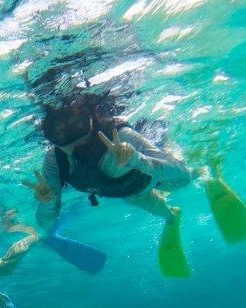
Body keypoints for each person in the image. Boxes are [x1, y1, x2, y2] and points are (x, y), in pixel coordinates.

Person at [22, 92, 195, 277]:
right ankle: (171, 217)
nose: (78, 141)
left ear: (90, 117)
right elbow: (47, 225)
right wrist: (47, 200)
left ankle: (205, 171)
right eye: (59, 132)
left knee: (187, 172)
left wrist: (138, 160)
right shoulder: (55, 160)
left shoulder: (121, 137)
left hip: (155, 177)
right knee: (149, 205)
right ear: (50, 136)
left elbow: (183, 176)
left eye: (78, 123)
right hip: (133, 194)